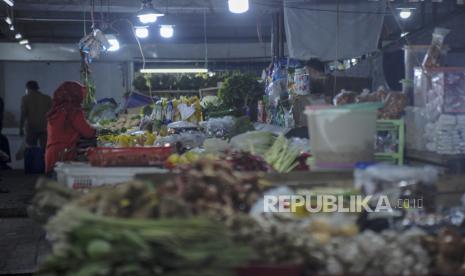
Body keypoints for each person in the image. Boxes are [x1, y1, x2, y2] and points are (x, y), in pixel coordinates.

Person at [45, 81, 96, 174]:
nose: (83, 96)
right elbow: (88, 133)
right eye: (81, 93)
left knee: (53, 183)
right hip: (63, 154)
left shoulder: (57, 109)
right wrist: (98, 129)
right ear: (75, 94)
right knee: (61, 184)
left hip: (51, 153)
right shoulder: (72, 110)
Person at [20, 81, 52, 149]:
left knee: (31, 148)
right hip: (44, 127)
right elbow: (52, 113)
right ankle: (43, 159)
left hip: (32, 128)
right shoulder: (47, 98)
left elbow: (23, 114)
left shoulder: (25, 98)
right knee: (45, 149)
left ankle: (33, 159)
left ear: (28, 88)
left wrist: (20, 128)